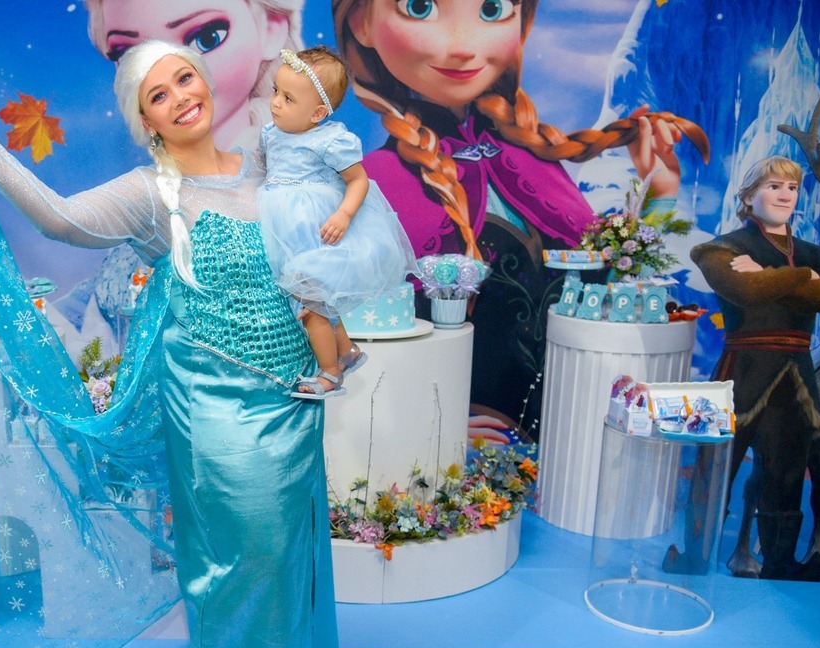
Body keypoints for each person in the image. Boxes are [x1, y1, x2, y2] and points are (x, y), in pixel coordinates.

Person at [0, 39, 340, 648]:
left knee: (290, 544)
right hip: (217, 405)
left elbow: (315, 251)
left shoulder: (266, 165)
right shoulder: (149, 194)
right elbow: (58, 218)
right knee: (244, 556)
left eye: (185, 78)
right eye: (158, 96)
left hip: (292, 392)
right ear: (147, 123)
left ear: (206, 82)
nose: (181, 98)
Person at [332, 0, 709, 433]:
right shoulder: (376, 182)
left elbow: (605, 287)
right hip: (460, 443)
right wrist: (428, 421)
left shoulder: (536, 163)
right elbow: (365, 332)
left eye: (492, 9)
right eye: (419, 7)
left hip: (570, 423)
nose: (463, 47)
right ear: (361, 22)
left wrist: (659, 195)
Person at [690, 155, 820, 582]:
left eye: (792, 188)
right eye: (774, 186)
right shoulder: (720, 249)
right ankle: (694, 558)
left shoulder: (819, 254)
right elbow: (745, 290)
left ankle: (780, 563)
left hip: (796, 378)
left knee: (788, 474)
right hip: (741, 372)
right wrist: (805, 278)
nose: (785, 195)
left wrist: (775, 274)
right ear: (749, 195)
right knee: (715, 471)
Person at [258, 46, 412, 398]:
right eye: (276, 91)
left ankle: (330, 372)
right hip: (284, 229)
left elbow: (359, 181)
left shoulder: (330, 140)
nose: (276, 103)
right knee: (317, 298)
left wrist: (343, 214)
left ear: (317, 113)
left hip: (314, 229)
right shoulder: (271, 133)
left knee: (311, 305)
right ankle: (347, 351)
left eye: (288, 99)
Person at [84, 0, 303, 151]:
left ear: (270, 29)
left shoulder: (292, 166)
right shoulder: (151, 188)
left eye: (206, 39)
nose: (165, 76)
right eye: (131, 55)